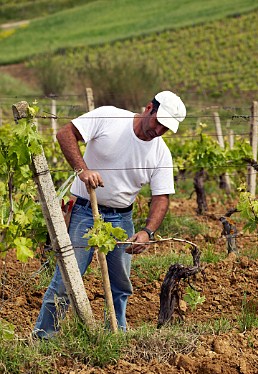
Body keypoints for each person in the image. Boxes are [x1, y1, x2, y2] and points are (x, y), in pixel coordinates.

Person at [33, 90, 186, 338]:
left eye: (165, 129)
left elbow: (161, 197)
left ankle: (114, 334)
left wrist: (147, 232)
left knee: (121, 285)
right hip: (83, 209)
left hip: (121, 218)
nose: (158, 131)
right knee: (66, 280)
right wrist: (82, 170)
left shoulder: (160, 153)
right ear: (149, 109)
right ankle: (43, 337)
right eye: (158, 123)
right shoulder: (109, 118)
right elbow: (65, 134)